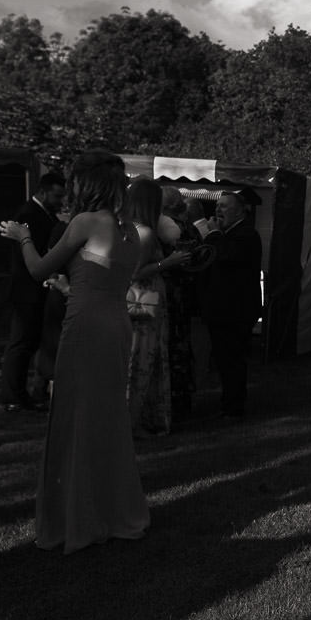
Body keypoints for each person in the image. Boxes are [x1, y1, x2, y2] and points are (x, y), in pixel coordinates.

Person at [0, 150, 149, 554]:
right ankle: (108, 508)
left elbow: (39, 270)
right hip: (116, 325)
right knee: (106, 417)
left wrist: (23, 237)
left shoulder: (86, 222)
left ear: (86, 184)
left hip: (85, 326)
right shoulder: (131, 230)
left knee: (77, 415)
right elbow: (101, 275)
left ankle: (79, 515)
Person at [125, 178, 190, 436]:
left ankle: (136, 416)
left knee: (137, 357)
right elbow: (136, 272)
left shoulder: (128, 228)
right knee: (144, 357)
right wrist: (170, 262)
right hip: (145, 299)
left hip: (136, 299)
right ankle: (140, 418)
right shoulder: (146, 233)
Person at [1, 172, 66, 413]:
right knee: (21, 343)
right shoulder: (28, 216)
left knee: (29, 342)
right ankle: (13, 396)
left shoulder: (42, 214)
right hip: (27, 288)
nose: (60, 201)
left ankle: (22, 393)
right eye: (57, 195)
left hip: (36, 287)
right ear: (43, 191)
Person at [197, 190, 263, 420]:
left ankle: (234, 406)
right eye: (217, 206)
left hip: (235, 310)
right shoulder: (232, 233)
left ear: (239, 210)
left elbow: (226, 257)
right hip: (226, 308)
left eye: (224, 207)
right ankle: (229, 402)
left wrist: (213, 234)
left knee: (232, 359)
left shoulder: (246, 234)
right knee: (225, 360)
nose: (218, 210)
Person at [159, 187, 201, 422]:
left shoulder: (164, 229)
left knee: (170, 348)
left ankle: (171, 401)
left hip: (168, 295)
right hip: (184, 296)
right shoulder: (190, 229)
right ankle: (182, 401)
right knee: (181, 348)